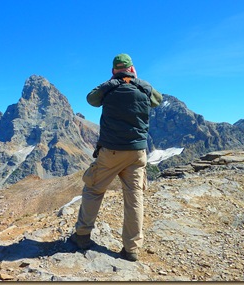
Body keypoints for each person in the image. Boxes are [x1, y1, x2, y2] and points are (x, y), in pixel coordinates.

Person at [70, 53, 163, 262]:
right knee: (134, 197)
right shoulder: (143, 87)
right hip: (137, 153)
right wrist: (135, 79)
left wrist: (113, 81)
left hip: (111, 151)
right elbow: (158, 100)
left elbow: (91, 99)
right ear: (132, 68)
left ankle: (82, 236)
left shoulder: (109, 87)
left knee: (93, 189)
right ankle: (131, 249)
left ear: (113, 71)